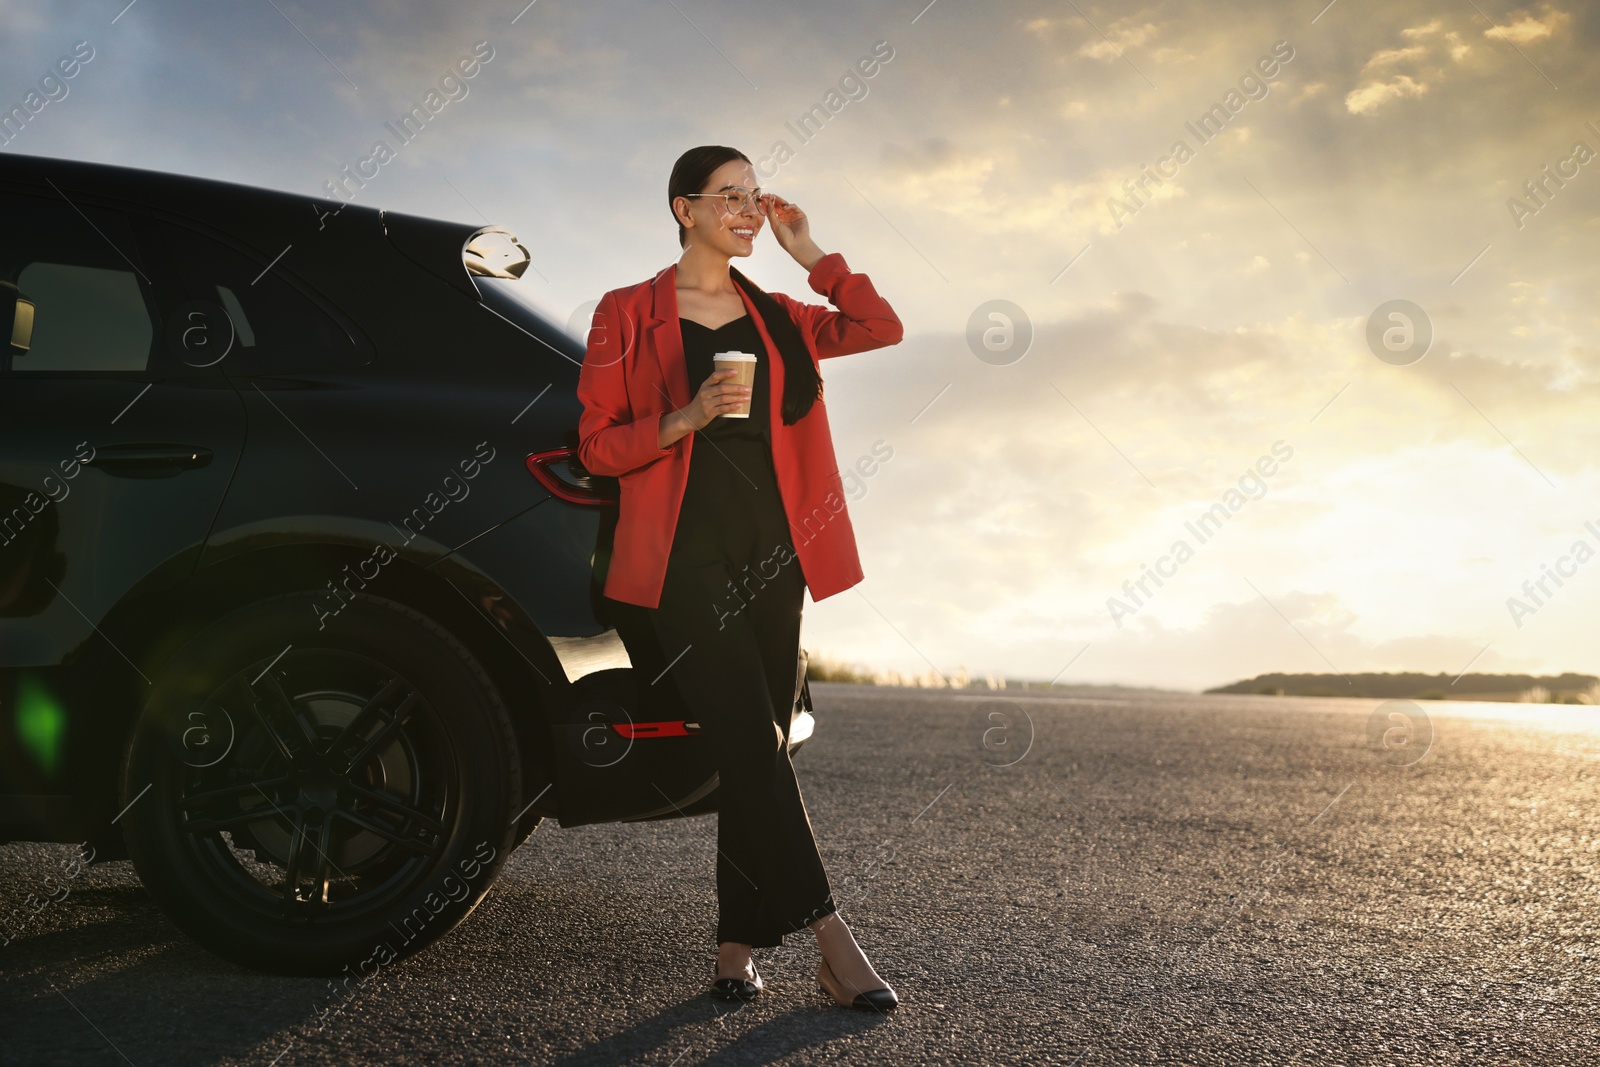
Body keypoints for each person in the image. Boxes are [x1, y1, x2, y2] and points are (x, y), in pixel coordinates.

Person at [575, 145, 904, 1011]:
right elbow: (597, 444)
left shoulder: (783, 315)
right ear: (684, 210)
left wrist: (811, 252)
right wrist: (681, 417)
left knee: (752, 741)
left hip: (774, 546)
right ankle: (833, 939)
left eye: (756, 197)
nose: (750, 209)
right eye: (731, 196)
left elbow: (881, 327)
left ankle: (736, 944)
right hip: (680, 549)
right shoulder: (624, 312)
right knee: (749, 737)